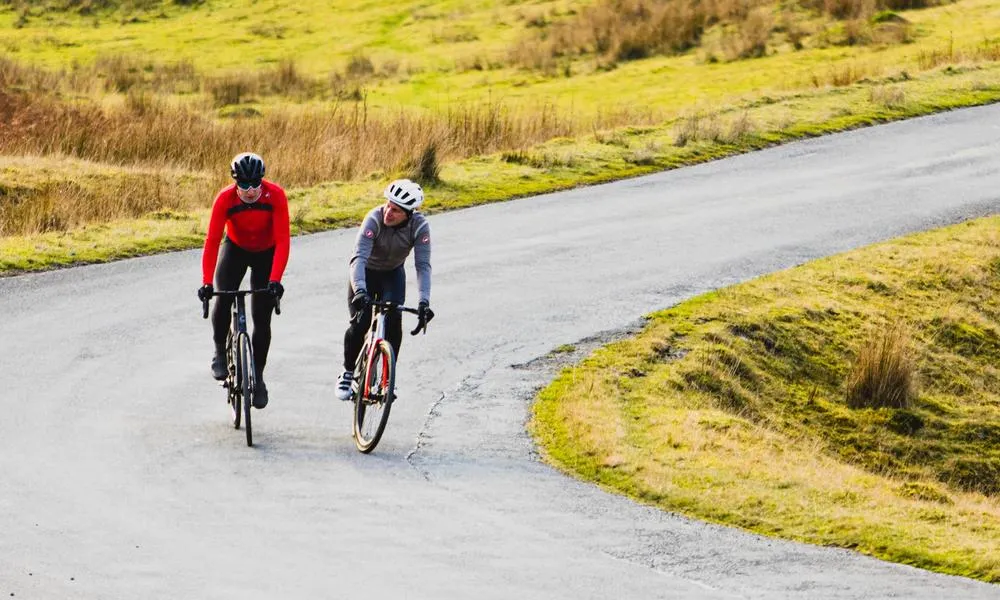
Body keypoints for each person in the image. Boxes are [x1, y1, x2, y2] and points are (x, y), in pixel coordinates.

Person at [198, 152, 289, 409]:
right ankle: (219, 350)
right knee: (223, 297)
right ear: (235, 182)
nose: (250, 191)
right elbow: (212, 241)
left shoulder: (276, 196)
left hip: (266, 252)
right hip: (235, 249)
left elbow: (283, 240)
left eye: (255, 185)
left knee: (262, 316)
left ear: (262, 180)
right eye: (244, 186)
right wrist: (206, 282)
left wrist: (275, 279)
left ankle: (258, 378)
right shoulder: (225, 199)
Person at [336, 178, 434, 401]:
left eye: (396, 210)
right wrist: (360, 290)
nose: (388, 212)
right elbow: (358, 258)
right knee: (359, 323)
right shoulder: (374, 218)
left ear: (409, 214)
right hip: (365, 273)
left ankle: (388, 380)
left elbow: (423, 266)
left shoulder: (419, 226)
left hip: (392, 275)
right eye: (388, 205)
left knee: (393, 323)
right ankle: (347, 372)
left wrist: (424, 302)